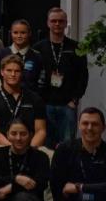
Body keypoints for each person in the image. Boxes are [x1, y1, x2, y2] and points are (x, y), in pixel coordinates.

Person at [35, 8, 89, 148]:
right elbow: (32, 77)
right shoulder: (38, 48)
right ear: (48, 23)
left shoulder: (76, 47)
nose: (57, 24)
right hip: (45, 105)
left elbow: (83, 76)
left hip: (67, 105)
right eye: (53, 21)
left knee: (67, 146)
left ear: (66, 24)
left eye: (61, 21)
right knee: (45, 146)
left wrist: (75, 99)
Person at [0, 55, 47, 148]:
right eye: (9, 70)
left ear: (22, 73)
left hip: (30, 147)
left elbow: (41, 131)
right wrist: (12, 148)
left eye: (17, 71)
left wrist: (29, 150)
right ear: (2, 72)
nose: (13, 74)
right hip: (2, 147)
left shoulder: (35, 99)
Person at [0, 19, 42, 92]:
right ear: (11, 34)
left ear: (29, 33)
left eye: (23, 33)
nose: (19, 36)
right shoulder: (1, 55)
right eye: (15, 33)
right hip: (5, 98)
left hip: (29, 99)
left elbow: (40, 82)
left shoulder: (37, 56)